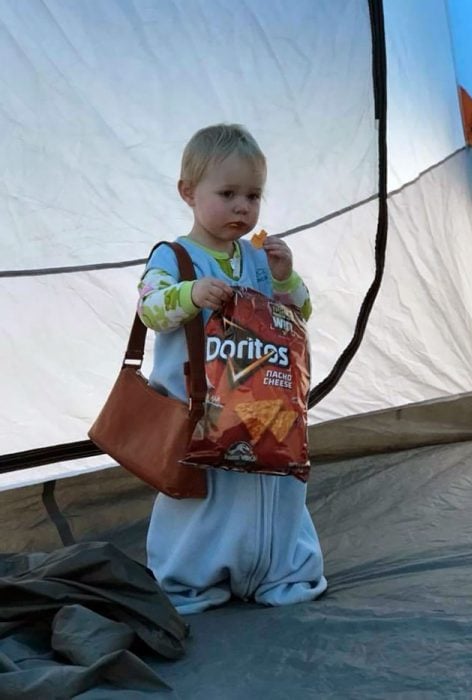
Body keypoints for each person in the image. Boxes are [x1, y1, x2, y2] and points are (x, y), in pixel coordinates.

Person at [137, 123, 327, 615]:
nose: (243, 207)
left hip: (262, 408)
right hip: (200, 413)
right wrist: (190, 293)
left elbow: (298, 315)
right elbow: (150, 309)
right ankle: (193, 578)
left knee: (270, 490)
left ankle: (276, 571)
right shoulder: (175, 256)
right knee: (202, 501)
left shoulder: (258, 258)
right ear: (188, 192)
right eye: (227, 194)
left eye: (253, 195)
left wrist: (287, 278)